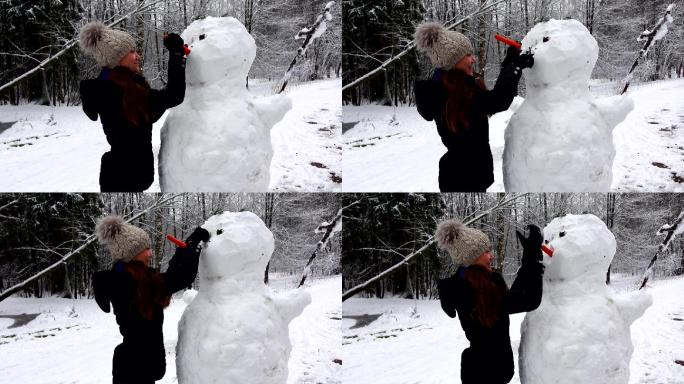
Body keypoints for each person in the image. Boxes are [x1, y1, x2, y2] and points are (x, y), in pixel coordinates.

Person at [414, 22, 534, 192]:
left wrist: (510, 62)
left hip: (462, 174)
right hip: (464, 178)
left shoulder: (448, 88)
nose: (473, 59)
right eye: (468, 55)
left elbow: (488, 100)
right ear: (452, 60)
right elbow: (497, 100)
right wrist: (514, 65)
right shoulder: (453, 94)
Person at [92, 216, 210, 384]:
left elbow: (169, 276)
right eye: (145, 249)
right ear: (131, 253)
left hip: (130, 367)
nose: (150, 253)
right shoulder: (134, 284)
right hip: (136, 372)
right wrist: (193, 245)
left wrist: (186, 247)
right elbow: (181, 276)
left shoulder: (126, 278)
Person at [78, 22, 187, 192]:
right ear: (116, 58)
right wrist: (176, 53)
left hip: (116, 175)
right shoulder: (124, 92)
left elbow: (146, 117)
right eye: (131, 52)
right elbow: (174, 95)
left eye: (136, 51)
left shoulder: (108, 86)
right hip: (127, 177)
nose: (137, 56)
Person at [435, 220, 544, 384]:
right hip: (485, 376)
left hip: (484, 373)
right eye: (486, 251)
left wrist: (528, 257)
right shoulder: (473, 290)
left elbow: (514, 297)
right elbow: (529, 300)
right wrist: (533, 256)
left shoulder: (475, 283)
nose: (491, 255)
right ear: (472, 255)